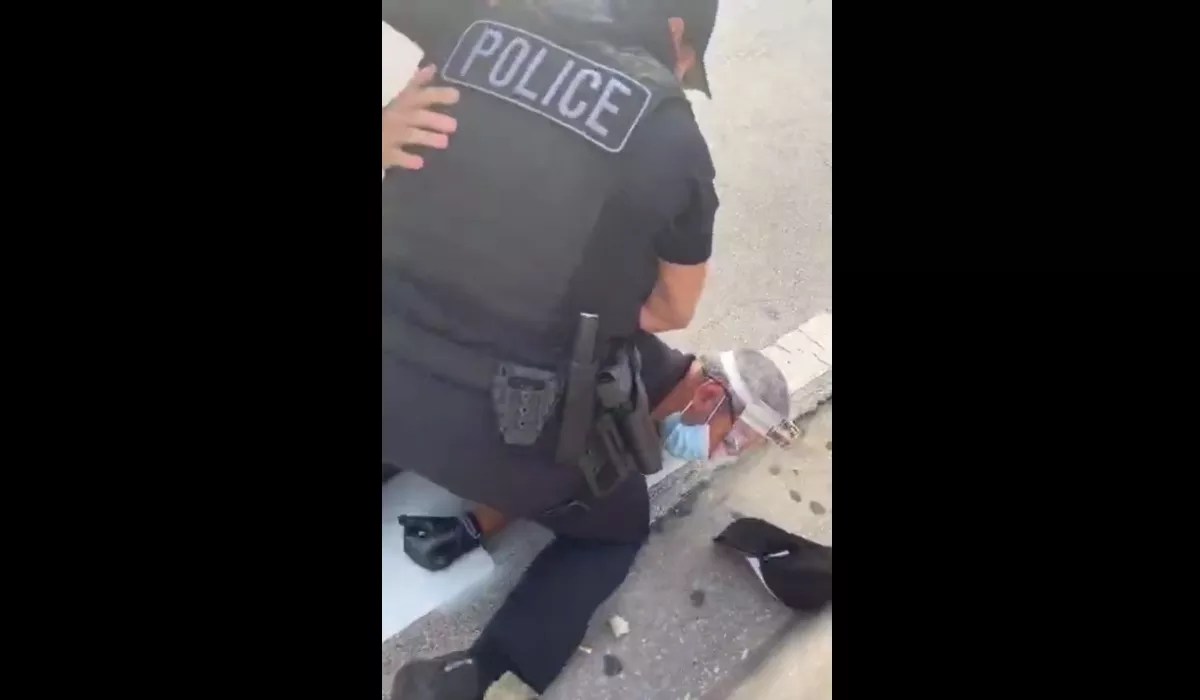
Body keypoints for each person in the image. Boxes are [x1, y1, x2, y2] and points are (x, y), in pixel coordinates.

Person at [382, 0, 726, 696]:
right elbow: (671, 309)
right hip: (504, 427)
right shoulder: (669, 135)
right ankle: (481, 672)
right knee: (613, 529)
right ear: (675, 34)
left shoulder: (471, 28)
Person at [398, 333, 798, 572]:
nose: (712, 456)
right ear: (709, 396)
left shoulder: (647, 421)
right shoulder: (621, 362)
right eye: (729, 442)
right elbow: (546, 464)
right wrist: (476, 525)